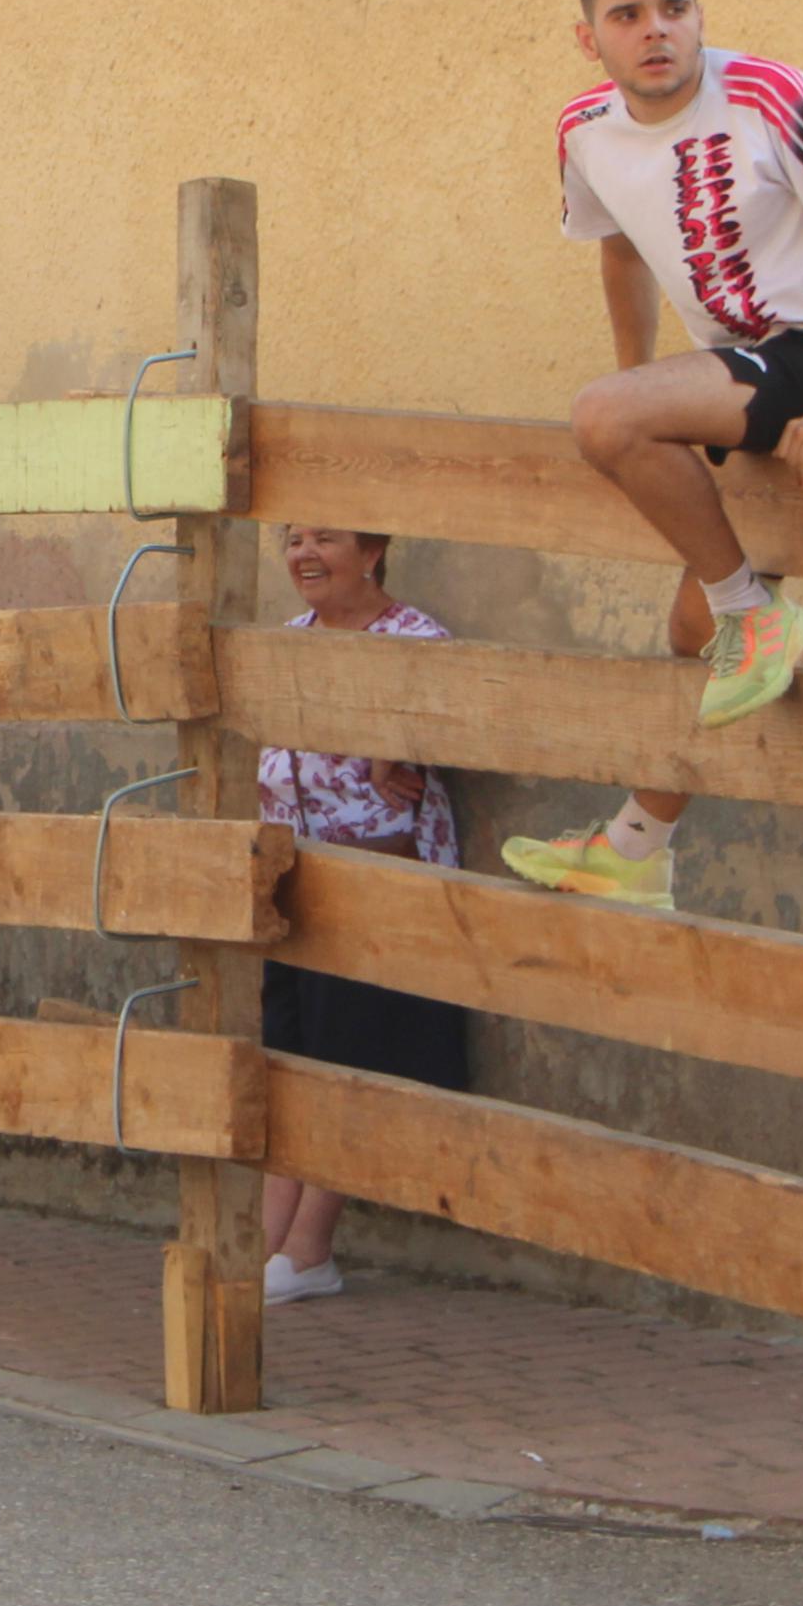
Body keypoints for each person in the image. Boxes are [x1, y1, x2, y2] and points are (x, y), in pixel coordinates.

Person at [506, 0, 803, 913]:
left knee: (610, 434)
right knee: (688, 630)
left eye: (672, 8)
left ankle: (754, 614)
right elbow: (616, 254)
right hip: (733, 379)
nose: (655, 30)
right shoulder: (583, 131)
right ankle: (634, 847)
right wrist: (647, 389)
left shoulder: (771, 95)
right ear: (586, 38)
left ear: (697, 14)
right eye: (627, 15)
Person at [254, 523, 469, 1304]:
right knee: (288, 1058)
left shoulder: (416, 637)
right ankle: (265, 1241)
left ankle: (309, 1248)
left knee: (348, 1060)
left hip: (375, 880)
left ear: (373, 550)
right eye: (292, 538)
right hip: (289, 880)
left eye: (327, 539)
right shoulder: (286, 640)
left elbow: (451, 722)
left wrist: (392, 739)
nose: (303, 554)